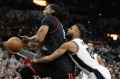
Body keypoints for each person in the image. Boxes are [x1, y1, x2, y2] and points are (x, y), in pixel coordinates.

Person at [32, 23, 111, 79]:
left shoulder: (70, 44)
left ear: (77, 33)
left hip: (97, 74)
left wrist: (37, 60)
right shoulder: (83, 44)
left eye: (71, 28)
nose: (68, 29)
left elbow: (50, 58)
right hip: (101, 72)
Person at [20, 4, 75, 79]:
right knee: (25, 71)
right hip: (56, 62)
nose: (43, 11)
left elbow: (39, 39)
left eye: (46, 9)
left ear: (52, 11)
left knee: (25, 72)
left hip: (61, 64)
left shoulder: (49, 18)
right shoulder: (58, 23)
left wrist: (28, 40)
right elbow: (38, 43)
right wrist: (28, 40)